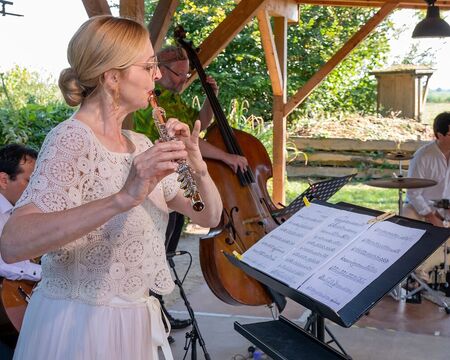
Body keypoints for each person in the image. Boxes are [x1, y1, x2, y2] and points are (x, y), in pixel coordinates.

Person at [0, 15, 222, 360]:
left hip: (131, 323)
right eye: (149, 66)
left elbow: (209, 215)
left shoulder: (140, 142)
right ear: (112, 77)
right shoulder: (72, 138)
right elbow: (13, 243)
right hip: (79, 329)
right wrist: (124, 197)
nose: (159, 75)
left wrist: (198, 165)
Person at [134, 46, 248, 331]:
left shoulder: (174, 99)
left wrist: (212, 100)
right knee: (157, 251)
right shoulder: (154, 102)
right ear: (160, 70)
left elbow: (199, 127)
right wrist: (225, 156)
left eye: (188, 74)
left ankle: (159, 312)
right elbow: (189, 144)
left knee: (166, 251)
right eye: (180, 74)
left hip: (176, 184)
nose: (185, 80)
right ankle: (153, 315)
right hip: (157, 186)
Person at [403, 112, 450, 283]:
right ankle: (418, 276)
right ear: (440, 135)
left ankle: (437, 276)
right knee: (406, 217)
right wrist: (430, 215)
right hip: (419, 206)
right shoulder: (423, 155)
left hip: (445, 207)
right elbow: (413, 193)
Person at [0, 144, 41, 282]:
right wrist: (43, 273)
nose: (36, 189)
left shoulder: (17, 211)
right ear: (4, 180)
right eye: (30, 181)